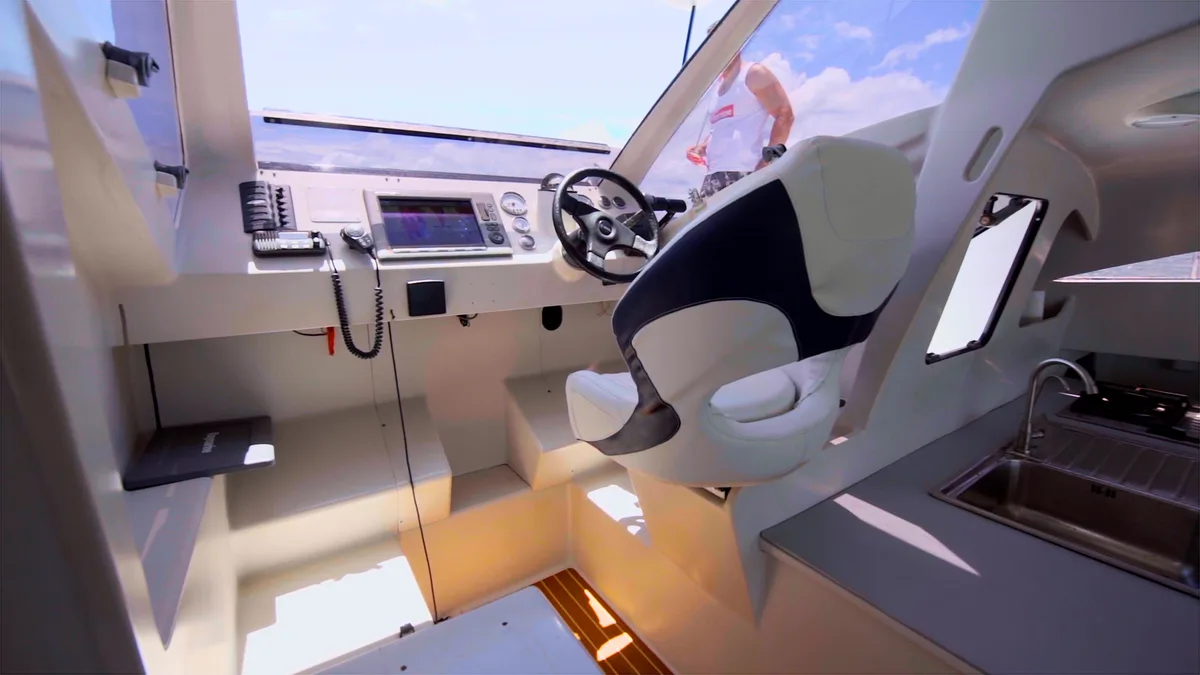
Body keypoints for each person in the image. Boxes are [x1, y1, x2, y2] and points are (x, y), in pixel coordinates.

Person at [687, 36, 795, 198]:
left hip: (746, 173)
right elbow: (722, 126)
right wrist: (701, 148)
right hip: (712, 177)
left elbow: (785, 114)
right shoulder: (717, 87)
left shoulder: (754, 74)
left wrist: (766, 163)